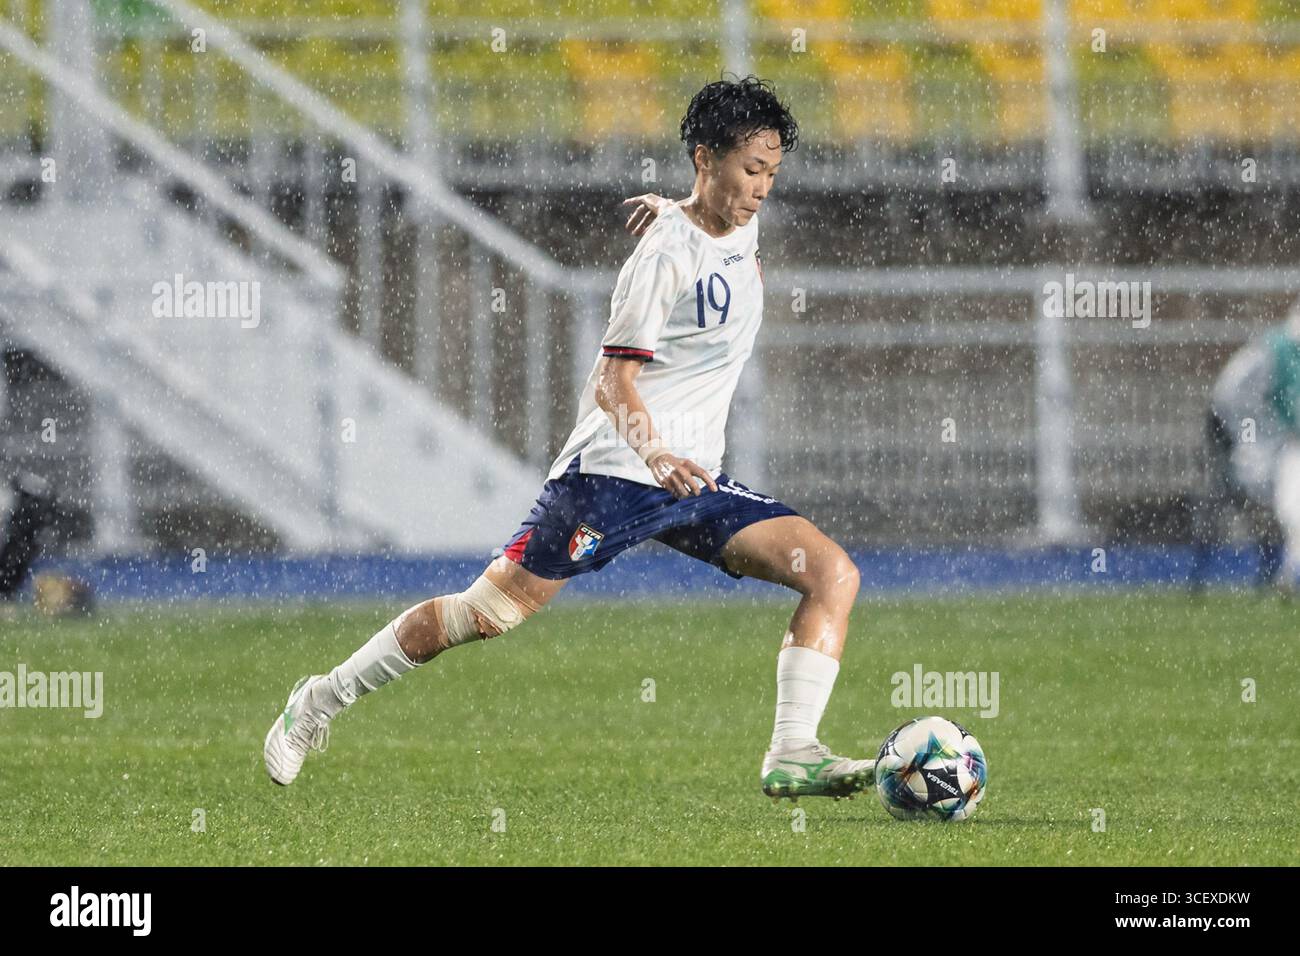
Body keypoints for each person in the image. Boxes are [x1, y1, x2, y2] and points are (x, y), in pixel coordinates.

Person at [264, 75, 873, 802]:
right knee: (484, 615)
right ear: (704, 159)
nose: (764, 188)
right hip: (616, 475)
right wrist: (655, 452)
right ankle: (319, 701)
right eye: (751, 170)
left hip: (693, 483)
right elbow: (610, 387)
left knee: (831, 573)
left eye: (772, 172)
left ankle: (793, 752)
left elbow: (710, 230)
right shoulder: (662, 259)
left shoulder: (735, 221)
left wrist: (676, 207)